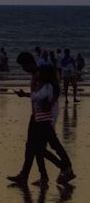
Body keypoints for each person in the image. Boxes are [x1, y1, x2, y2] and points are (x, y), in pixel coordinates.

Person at [8, 52, 75, 186]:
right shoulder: (37, 74)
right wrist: (27, 96)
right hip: (37, 115)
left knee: (44, 146)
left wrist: (28, 96)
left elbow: (45, 94)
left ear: (29, 63)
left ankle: (65, 168)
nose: (23, 69)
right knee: (33, 146)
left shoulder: (42, 75)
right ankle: (31, 175)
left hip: (45, 116)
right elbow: (39, 95)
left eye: (23, 66)